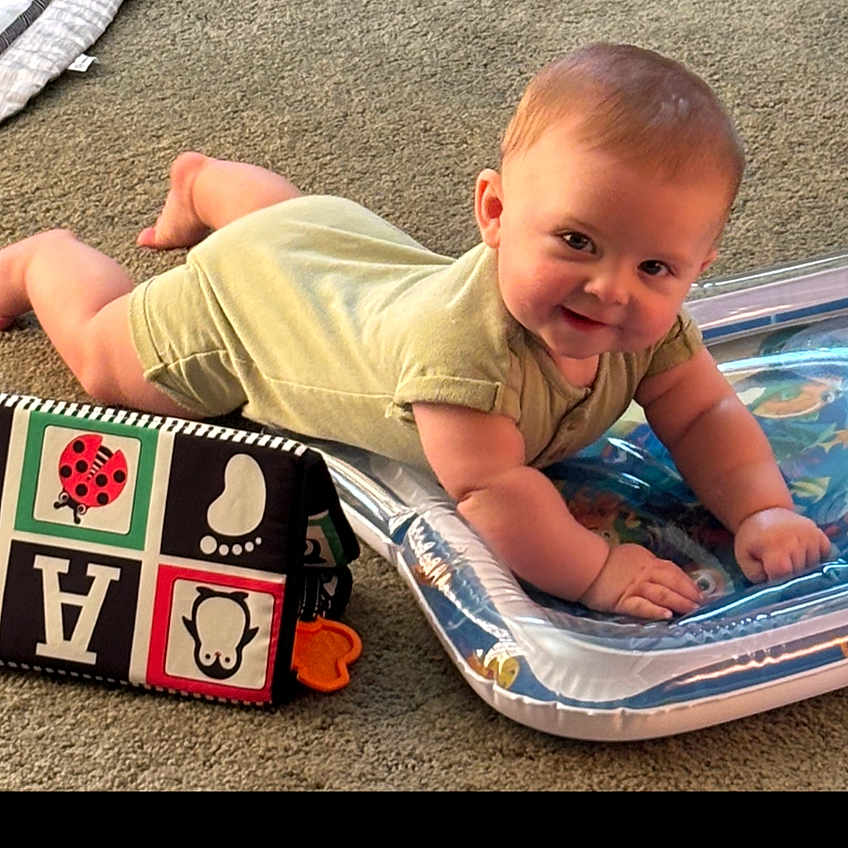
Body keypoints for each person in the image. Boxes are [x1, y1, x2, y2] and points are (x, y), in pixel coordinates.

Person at [0, 43, 831, 620]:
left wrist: (760, 509)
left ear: (694, 266)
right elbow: (492, 492)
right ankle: (42, 261)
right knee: (112, 361)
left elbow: (703, 415)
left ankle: (206, 183)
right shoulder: (463, 354)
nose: (611, 289)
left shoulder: (654, 327)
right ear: (495, 213)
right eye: (576, 242)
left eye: (656, 268)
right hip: (255, 315)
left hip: (337, 245)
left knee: (299, 229)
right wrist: (599, 569)